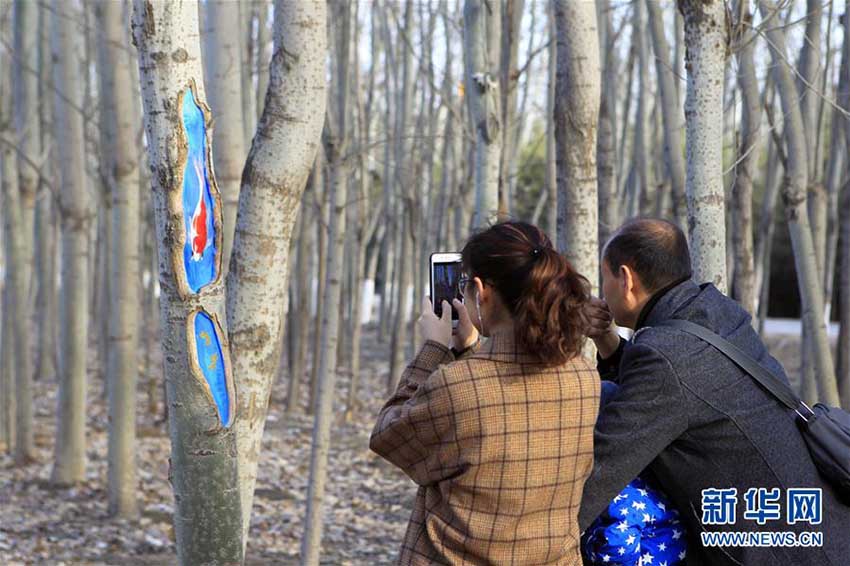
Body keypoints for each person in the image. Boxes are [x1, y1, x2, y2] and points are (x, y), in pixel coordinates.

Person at [579, 218, 850, 565]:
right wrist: (606, 340)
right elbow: (666, 390)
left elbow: (601, 469)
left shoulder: (666, 358)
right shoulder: (713, 312)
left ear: (626, 278)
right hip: (824, 530)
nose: (604, 292)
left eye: (605, 278)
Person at [370, 221, 600, 565]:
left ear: (481, 290)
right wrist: (469, 348)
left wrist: (434, 348)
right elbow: (500, 403)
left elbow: (388, 435)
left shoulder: (456, 386)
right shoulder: (584, 376)